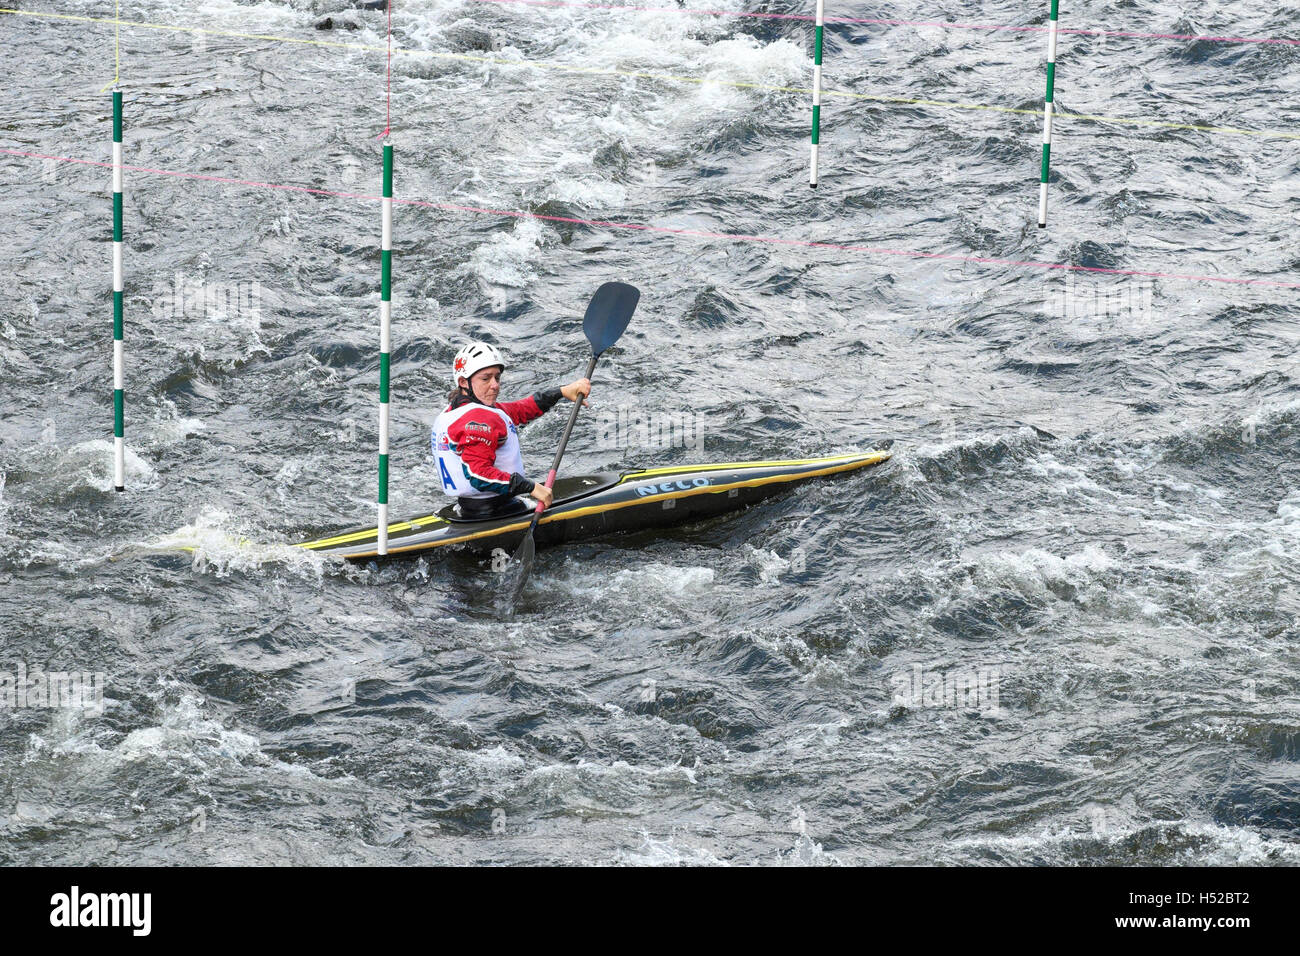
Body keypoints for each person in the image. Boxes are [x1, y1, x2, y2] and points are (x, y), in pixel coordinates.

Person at [431, 341, 591, 518]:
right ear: (463, 382)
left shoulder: (453, 412)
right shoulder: (479, 419)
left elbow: (520, 410)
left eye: (497, 378)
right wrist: (531, 487)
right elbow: (478, 475)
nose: (495, 385)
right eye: (486, 378)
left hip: (467, 509)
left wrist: (561, 392)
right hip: (497, 511)